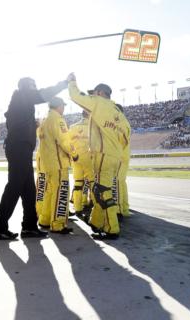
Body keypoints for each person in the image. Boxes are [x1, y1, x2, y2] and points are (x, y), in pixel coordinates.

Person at [0, 78, 68, 240]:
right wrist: (64, 83)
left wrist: (33, 124)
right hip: (19, 148)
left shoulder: (20, 103)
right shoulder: (21, 96)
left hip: (21, 148)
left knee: (29, 191)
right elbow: (43, 95)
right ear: (28, 87)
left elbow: (18, 123)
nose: (36, 89)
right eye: (34, 86)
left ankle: (29, 226)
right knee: (14, 187)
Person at [67, 73, 128, 240]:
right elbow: (126, 137)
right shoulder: (119, 113)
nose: (92, 95)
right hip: (115, 156)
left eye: (94, 93)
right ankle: (96, 221)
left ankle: (111, 229)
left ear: (100, 93)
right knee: (100, 189)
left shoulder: (100, 103)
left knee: (102, 192)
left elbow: (75, 96)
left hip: (102, 155)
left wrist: (72, 81)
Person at [37, 97, 76, 233]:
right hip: (58, 163)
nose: (64, 108)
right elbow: (64, 140)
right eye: (63, 106)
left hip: (47, 163)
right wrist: (74, 153)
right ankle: (58, 224)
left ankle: (45, 220)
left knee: (50, 192)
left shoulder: (44, 121)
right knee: (61, 192)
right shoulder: (58, 120)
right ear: (58, 106)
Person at [68, 109, 94, 220]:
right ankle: (94, 205)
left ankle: (77, 208)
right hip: (89, 158)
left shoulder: (73, 127)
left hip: (76, 158)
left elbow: (68, 143)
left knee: (78, 183)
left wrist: (73, 156)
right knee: (92, 182)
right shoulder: (93, 126)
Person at [115, 104, 131, 219]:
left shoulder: (120, 121)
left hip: (120, 156)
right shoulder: (123, 121)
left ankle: (119, 209)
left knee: (118, 182)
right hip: (123, 155)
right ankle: (124, 207)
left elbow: (119, 140)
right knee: (122, 182)